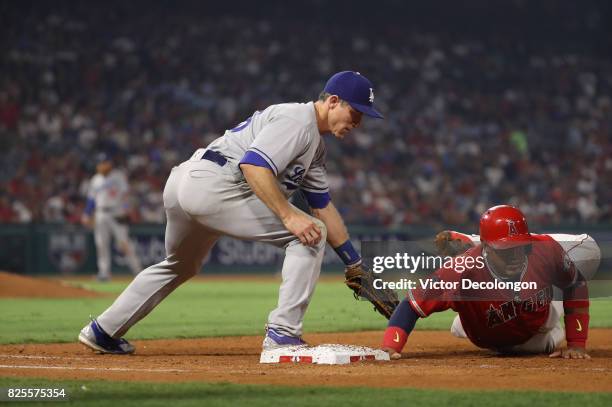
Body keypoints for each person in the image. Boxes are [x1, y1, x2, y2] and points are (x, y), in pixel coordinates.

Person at [78, 71, 384, 354]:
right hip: (215, 185)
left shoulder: (314, 149)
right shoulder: (298, 120)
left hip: (190, 181)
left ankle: (103, 330)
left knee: (180, 265)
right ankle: (283, 332)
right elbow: (253, 165)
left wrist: (356, 265)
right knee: (311, 235)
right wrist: (289, 216)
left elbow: (323, 206)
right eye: (355, 112)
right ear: (332, 102)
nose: (358, 122)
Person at [381, 205, 597, 360]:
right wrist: (391, 345)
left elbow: (575, 285)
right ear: (486, 247)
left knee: (591, 249)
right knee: (515, 345)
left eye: (519, 246)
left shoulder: (544, 251)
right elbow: (411, 304)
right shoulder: (459, 272)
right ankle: (476, 252)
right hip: (485, 328)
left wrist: (577, 344)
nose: (513, 256)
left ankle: (490, 243)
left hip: (542, 317)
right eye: (505, 250)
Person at [81, 153, 142, 281]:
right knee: (101, 244)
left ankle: (138, 271)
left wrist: (126, 208)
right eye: (100, 163)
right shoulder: (95, 179)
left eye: (104, 162)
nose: (101, 165)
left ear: (109, 163)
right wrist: (87, 213)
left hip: (116, 212)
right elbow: (92, 199)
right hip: (100, 213)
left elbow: (125, 194)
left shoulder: (118, 176)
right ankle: (104, 273)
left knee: (123, 243)